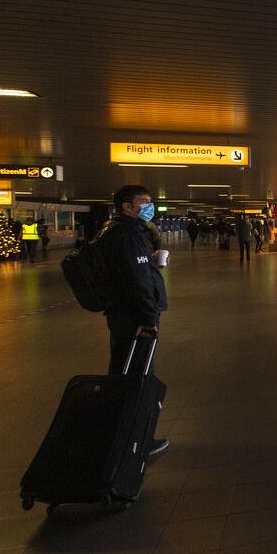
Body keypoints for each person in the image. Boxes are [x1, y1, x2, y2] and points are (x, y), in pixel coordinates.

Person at [94, 184, 169, 459]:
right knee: (137, 377)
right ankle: (136, 442)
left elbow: (132, 272)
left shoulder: (116, 232)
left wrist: (151, 263)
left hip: (123, 314)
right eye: (144, 201)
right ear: (127, 206)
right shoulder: (126, 235)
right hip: (135, 318)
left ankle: (118, 438)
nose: (150, 206)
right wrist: (149, 317)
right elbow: (137, 281)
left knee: (123, 373)